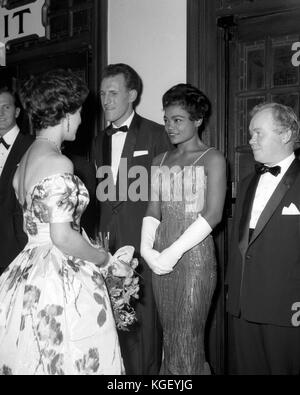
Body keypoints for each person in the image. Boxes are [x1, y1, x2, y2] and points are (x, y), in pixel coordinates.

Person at [0, 69, 133, 375]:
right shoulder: (58, 161)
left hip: (27, 270)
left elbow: (30, 227)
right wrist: (106, 260)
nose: (82, 120)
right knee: (72, 355)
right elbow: (61, 235)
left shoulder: (25, 161)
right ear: (67, 113)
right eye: (80, 112)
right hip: (57, 275)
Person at [140, 83, 226, 374]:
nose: (169, 126)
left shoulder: (213, 158)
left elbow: (212, 215)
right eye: (166, 120)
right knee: (170, 337)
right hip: (161, 259)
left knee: (188, 336)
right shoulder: (159, 160)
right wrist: (147, 250)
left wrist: (172, 253)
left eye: (177, 120)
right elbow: (153, 210)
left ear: (197, 120)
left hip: (194, 260)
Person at [93, 63, 173, 375]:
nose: (106, 100)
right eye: (102, 94)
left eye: (113, 93)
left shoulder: (156, 135)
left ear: (133, 95)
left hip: (142, 249)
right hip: (105, 249)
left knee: (145, 331)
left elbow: (168, 199)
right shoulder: (97, 140)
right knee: (112, 330)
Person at [226, 102, 300, 375]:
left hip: (287, 310)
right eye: (250, 133)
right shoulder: (246, 183)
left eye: (258, 133)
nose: (250, 140)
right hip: (243, 306)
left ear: (285, 134)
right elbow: (240, 244)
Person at [0, 86, 34, 275]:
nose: (0, 113)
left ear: (17, 111)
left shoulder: (32, 146)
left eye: (5, 107)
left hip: (18, 248)